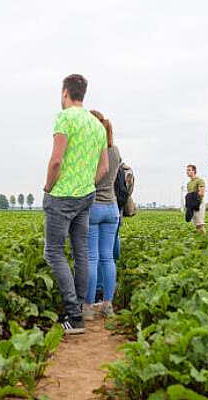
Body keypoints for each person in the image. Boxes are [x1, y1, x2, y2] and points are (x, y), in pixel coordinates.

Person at [43, 74, 108, 335]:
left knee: (54, 252)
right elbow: (103, 167)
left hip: (62, 195)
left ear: (65, 92)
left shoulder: (65, 118)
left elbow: (56, 160)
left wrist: (48, 187)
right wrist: (85, 183)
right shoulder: (97, 125)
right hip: (86, 195)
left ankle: (73, 314)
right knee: (80, 250)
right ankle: (79, 307)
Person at [83, 110, 121, 320]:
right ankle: (108, 304)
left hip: (93, 207)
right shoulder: (114, 150)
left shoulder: (91, 150)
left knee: (91, 257)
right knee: (108, 258)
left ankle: (88, 307)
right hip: (112, 208)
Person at [185, 164, 206, 234]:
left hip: (198, 203)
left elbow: (201, 193)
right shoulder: (189, 183)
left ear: (194, 171)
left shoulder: (200, 180)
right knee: (196, 223)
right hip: (191, 205)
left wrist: (192, 196)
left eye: (189, 170)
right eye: (187, 170)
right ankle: (200, 238)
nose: (187, 172)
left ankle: (204, 238)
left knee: (200, 223)